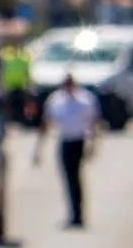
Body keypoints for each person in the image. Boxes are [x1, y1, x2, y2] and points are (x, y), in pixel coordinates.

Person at [37, 74, 101, 228]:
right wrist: (39, 148)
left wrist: (94, 145)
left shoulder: (85, 99)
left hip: (79, 141)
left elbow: (94, 122)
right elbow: (46, 122)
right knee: (68, 178)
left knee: (75, 178)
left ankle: (78, 214)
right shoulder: (56, 100)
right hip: (64, 141)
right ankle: (73, 213)